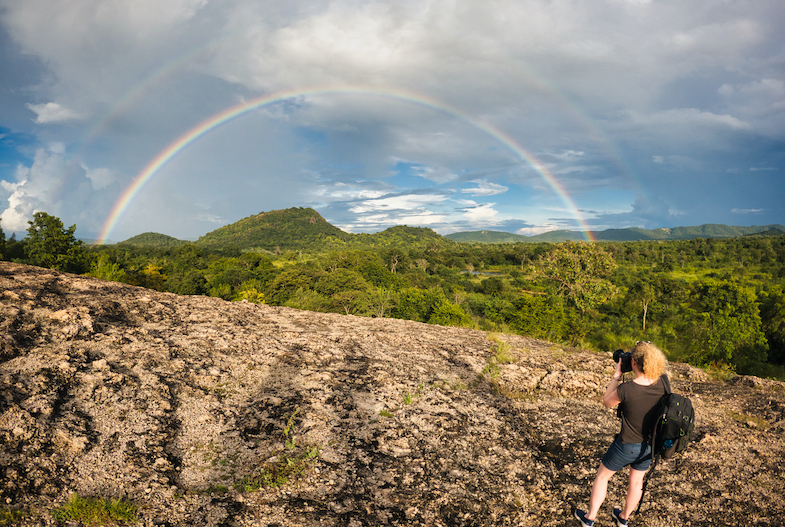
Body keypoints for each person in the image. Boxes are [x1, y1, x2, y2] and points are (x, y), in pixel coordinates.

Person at [574, 341, 669, 527]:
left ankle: (590, 518)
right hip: (650, 445)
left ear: (633, 362)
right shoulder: (663, 381)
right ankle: (623, 519)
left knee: (602, 477)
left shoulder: (627, 389)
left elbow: (607, 402)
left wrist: (617, 376)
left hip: (626, 444)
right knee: (636, 482)